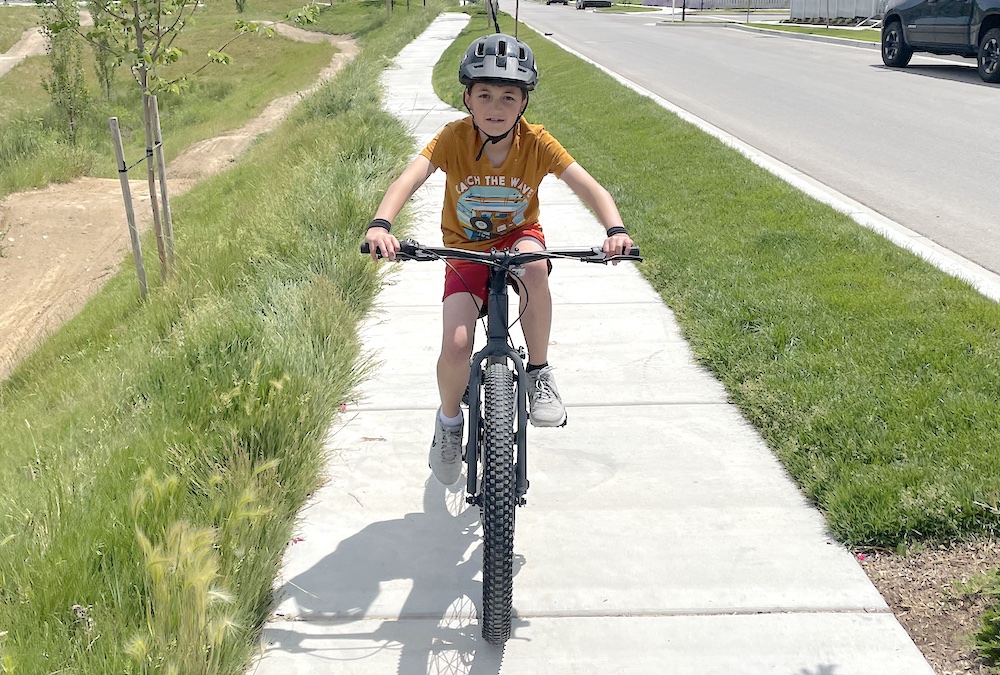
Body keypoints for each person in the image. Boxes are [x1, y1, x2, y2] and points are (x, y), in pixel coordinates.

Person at [365, 32, 632, 486]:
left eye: (509, 95)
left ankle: (539, 371)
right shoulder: (452, 138)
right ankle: (449, 424)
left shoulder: (538, 143)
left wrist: (615, 229)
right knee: (455, 344)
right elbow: (407, 180)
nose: (496, 105)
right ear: (467, 96)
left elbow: (590, 187)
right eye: (484, 93)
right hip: (464, 251)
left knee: (533, 264)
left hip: (518, 239)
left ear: (524, 103)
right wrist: (381, 224)